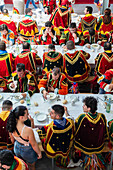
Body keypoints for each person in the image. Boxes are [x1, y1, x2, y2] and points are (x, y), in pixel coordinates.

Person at [74, 96, 110, 169]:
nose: (83, 106)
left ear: (89, 108)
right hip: (98, 145)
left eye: (84, 105)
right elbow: (105, 132)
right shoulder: (102, 117)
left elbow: (76, 127)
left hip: (85, 145)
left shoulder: (82, 117)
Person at [6, 106, 42, 170]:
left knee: (21, 162)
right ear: (21, 117)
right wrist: (39, 153)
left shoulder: (11, 124)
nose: (28, 115)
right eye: (27, 114)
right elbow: (33, 144)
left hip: (16, 147)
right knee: (31, 165)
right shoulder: (28, 130)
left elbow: (12, 140)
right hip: (27, 150)